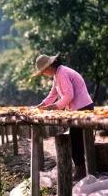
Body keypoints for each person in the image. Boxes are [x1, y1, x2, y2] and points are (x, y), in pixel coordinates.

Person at [32, 53, 94, 181]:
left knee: (76, 139)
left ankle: (81, 170)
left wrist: (54, 107)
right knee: (76, 139)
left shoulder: (62, 73)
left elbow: (68, 95)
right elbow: (52, 94)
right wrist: (42, 105)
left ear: (48, 67)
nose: (44, 74)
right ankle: (80, 168)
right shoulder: (57, 74)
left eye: (43, 71)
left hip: (82, 108)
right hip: (77, 109)